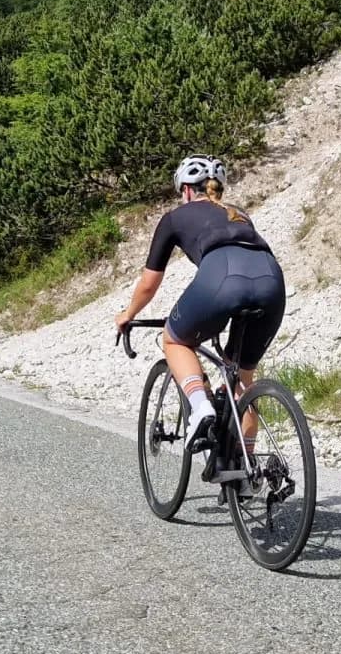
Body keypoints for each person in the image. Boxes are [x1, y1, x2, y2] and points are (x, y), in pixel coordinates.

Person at [114, 156, 287, 476]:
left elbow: (149, 284)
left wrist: (128, 314)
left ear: (186, 191)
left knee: (175, 338)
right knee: (241, 378)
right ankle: (246, 469)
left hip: (221, 278)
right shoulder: (239, 214)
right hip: (272, 281)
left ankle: (201, 408)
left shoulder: (174, 217)